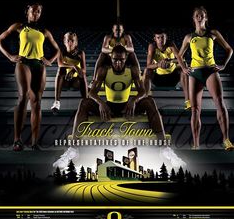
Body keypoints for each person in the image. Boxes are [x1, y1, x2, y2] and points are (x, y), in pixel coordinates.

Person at [53, 45, 186, 169]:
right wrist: (101, 103)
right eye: (115, 60)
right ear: (110, 58)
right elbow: (91, 92)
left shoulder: (132, 70)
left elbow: (143, 91)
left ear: (126, 58)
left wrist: (134, 100)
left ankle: (165, 150)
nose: (118, 63)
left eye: (121, 60)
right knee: (84, 103)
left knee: (149, 101)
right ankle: (73, 150)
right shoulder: (104, 70)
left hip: (127, 106)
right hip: (109, 107)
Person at [0, 3, 60, 151]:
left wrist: (50, 60)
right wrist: (10, 56)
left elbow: (57, 49)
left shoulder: (44, 31)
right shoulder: (19, 26)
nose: (36, 14)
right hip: (23, 62)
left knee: (37, 102)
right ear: (27, 12)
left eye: (38, 12)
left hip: (39, 64)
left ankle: (34, 142)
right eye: (33, 11)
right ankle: (17, 140)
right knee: (23, 98)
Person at [179, 6, 234, 150]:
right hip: (195, 74)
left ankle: (226, 140)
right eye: (197, 15)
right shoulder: (189, 37)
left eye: (202, 15)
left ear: (206, 18)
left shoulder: (213, 33)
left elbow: (229, 49)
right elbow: (179, 55)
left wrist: (223, 65)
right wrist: (184, 68)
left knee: (220, 104)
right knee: (195, 110)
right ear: (193, 18)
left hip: (210, 71)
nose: (199, 17)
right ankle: (196, 144)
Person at [143, 29, 190, 110]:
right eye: (158, 38)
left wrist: (170, 61)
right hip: (159, 78)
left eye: (162, 37)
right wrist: (158, 64)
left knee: (184, 67)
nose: (161, 40)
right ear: (155, 39)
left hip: (172, 77)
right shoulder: (152, 46)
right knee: (147, 71)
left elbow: (180, 58)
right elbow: (148, 65)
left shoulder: (171, 44)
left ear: (166, 37)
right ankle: (145, 102)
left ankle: (188, 101)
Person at [51, 32, 88, 113]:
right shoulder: (61, 51)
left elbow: (84, 70)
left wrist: (74, 71)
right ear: (64, 42)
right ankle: (57, 102)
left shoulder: (80, 53)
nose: (70, 43)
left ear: (76, 42)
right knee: (60, 69)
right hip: (64, 81)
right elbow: (60, 64)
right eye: (68, 40)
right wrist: (74, 66)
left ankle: (86, 103)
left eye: (72, 41)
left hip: (76, 82)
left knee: (83, 75)